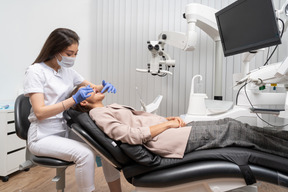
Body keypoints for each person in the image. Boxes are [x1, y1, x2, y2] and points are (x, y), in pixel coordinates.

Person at [72, 85, 288, 159]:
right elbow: (131, 136)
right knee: (235, 130)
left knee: (232, 123)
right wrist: (167, 125)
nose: (96, 88)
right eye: (89, 91)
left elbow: (138, 122)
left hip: (172, 132)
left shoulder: (107, 109)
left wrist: (166, 119)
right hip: (168, 140)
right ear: (83, 103)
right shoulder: (98, 115)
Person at [23, 28, 121, 192]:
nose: (73, 58)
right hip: (42, 136)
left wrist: (102, 87)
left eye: (76, 53)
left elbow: (93, 87)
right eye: (69, 53)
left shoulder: (67, 72)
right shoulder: (35, 71)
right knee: (85, 155)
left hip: (64, 129)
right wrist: (73, 100)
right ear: (55, 49)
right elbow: (40, 112)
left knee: (105, 147)